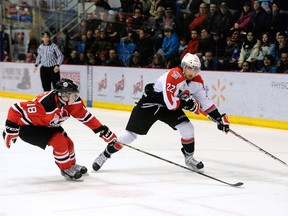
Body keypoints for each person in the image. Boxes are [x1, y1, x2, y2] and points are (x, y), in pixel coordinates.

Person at [92, 53, 230, 172]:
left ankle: (189, 158)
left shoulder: (198, 81)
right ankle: (105, 154)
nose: (191, 72)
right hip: (151, 104)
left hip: (168, 107)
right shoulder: (174, 75)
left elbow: (205, 101)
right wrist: (187, 104)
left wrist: (219, 118)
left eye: (195, 69)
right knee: (130, 135)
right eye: (189, 68)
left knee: (188, 129)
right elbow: (171, 104)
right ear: (183, 66)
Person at [2, 78, 117, 181]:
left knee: (69, 143)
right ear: (62, 95)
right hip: (29, 128)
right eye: (71, 95)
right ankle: (65, 169)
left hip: (49, 124)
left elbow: (86, 117)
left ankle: (71, 165)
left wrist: (102, 130)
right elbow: (15, 108)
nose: (75, 97)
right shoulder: (45, 104)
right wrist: (11, 128)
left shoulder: (73, 102)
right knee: (59, 142)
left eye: (75, 94)